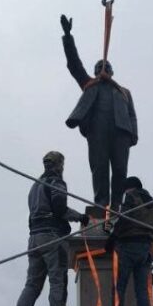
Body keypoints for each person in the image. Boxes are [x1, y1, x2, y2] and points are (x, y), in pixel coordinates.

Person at [60, 14, 138, 213]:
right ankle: (101, 203)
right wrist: (68, 36)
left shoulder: (123, 91)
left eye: (106, 67)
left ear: (112, 71)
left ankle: (117, 205)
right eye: (98, 67)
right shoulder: (90, 85)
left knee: (120, 169)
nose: (102, 68)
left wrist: (134, 134)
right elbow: (73, 64)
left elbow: (132, 115)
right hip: (97, 130)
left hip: (121, 132)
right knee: (99, 168)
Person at [12, 151, 88, 306]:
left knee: (32, 284)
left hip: (34, 239)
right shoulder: (56, 182)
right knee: (58, 280)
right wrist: (81, 217)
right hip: (52, 237)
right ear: (59, 164)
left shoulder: (35, 186)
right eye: (62, 164)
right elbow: (60, 209)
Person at [104, 177, 153, 306]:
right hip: (145, 248)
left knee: (119, 289)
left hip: (127, 247)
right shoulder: (151, 203)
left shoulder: (131, 196)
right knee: (141, 292)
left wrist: (112, 238)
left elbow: (124, 219)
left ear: (129, 188)